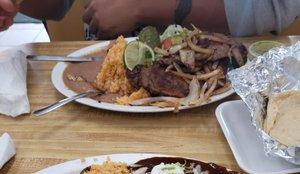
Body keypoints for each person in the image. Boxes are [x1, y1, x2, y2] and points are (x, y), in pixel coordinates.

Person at [0, 0, 299, 37]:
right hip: (105, 82)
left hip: (227, 89)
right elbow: (57, 5)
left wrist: (141, 6)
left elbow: (272, 6)